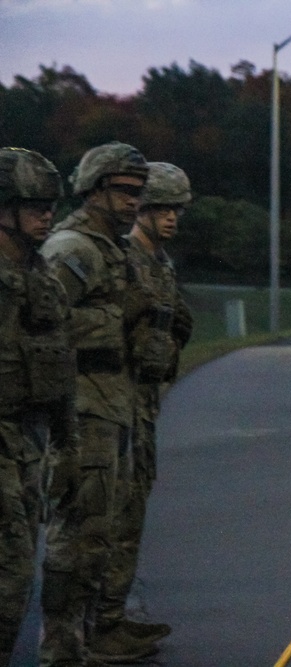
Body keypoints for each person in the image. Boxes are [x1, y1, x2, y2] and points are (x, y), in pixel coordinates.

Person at [39, 141, 158, 666]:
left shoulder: (113, 248)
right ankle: (62, 648)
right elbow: (40, 325)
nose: (134, 203)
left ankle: (94, 636)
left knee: (104, 533)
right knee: (79, 535)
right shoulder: (73, 249)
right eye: (123, 191)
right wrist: (117, 322)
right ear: (93, 190)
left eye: (139, 193)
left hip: (114, 405)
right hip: (82, 410)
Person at [94, 162, 193, 651]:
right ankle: (97, 625)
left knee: (133, 511)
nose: (170, 217)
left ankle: (112, 616)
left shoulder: (162, 263)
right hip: (117, 400)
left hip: (145, 402)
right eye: (160, 208)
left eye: (176, 208)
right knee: (108, 516)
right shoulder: (126, 258)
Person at [0, 148, 76, 666]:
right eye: (32, 204)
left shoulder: (42, 272)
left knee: (17, 578)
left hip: (28, 443)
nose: (46, 214)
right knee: (9, 578)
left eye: (49, 204)